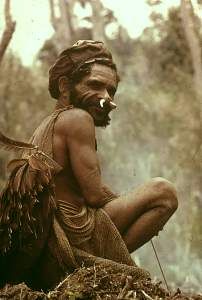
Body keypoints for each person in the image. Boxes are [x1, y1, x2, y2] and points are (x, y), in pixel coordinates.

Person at [0, 40, 178, 290]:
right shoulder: (77, 118)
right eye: (95, 85)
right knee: (164, 192)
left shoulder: (48, 124)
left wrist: (128, 206)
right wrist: (136, 208)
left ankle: (98, 269)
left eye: (111, 91)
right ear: (65, 86)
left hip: (50, 249)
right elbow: (94, 196)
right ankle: (98, 267)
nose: (106, 98)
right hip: (72, 240)